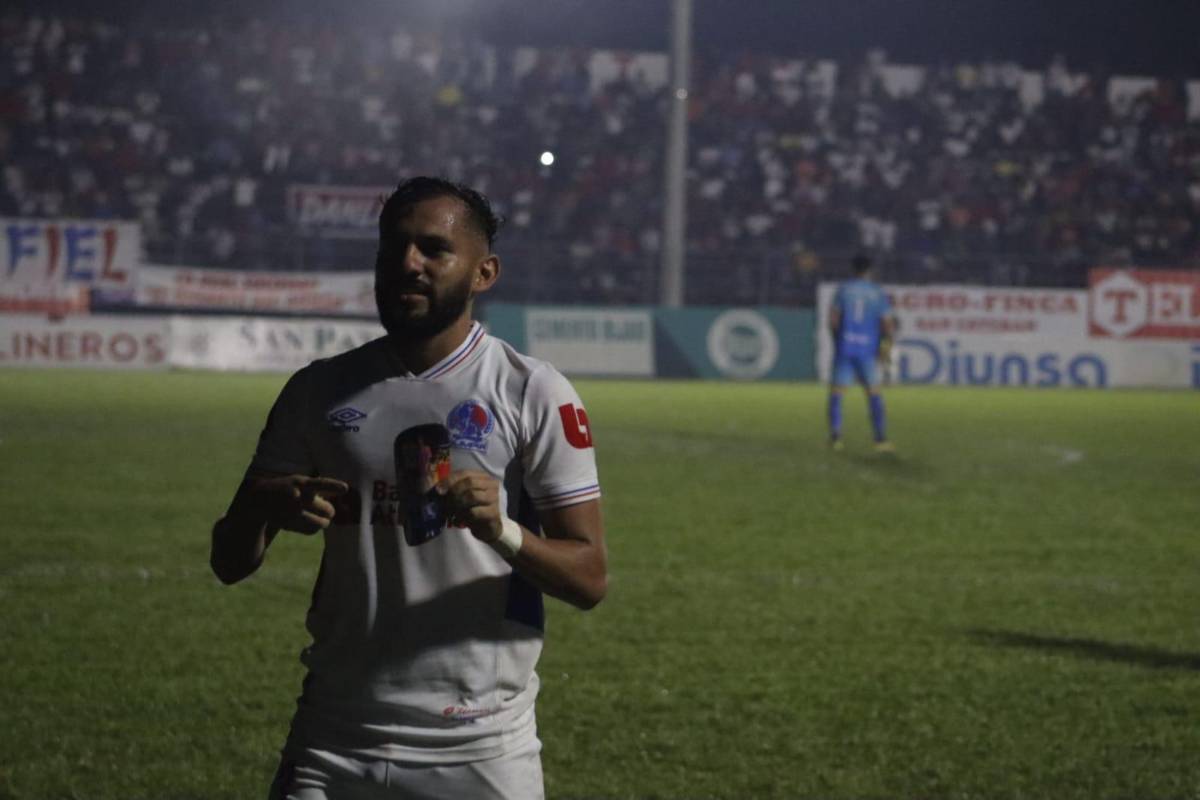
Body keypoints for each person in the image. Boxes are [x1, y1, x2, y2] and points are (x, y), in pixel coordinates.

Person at [210, 176, 607, 799]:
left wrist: (501, 528)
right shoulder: (317, 390)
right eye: (393, 248)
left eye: (433, 249)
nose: (408, 265)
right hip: (334, 737)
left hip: (481, 746)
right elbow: (228, 562)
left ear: (484, 273)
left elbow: (588, 578)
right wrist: (262, 506)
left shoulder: (532, 390)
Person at [827, 253, 896, 452]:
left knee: (837, 393)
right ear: (870, 271)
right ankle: (880, 439)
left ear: (853, 269)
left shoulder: (843, 290)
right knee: (874, 393)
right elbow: (888, 325)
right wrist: (886, 347)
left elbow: (833, 320)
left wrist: (837, 341)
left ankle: (835, 437)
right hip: (867, 350)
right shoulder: (877, 292)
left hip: (845, 348)